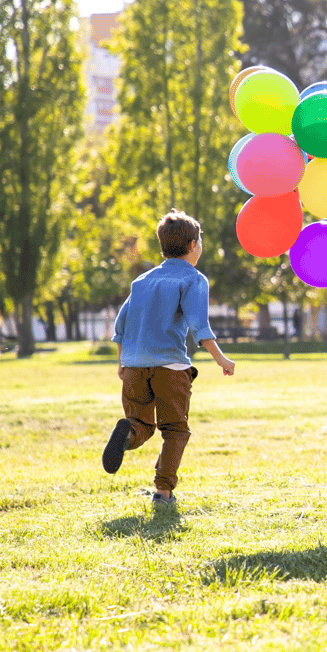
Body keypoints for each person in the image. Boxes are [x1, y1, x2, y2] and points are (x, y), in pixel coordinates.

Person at [103, 210, 236, 506]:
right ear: (192, 245)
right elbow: (200, 328)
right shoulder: (193, 279)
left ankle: (128, 432)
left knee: (141, 424)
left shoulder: (142, 281)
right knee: (175, 430)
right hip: (170, 367)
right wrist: (222, 359)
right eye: (199, 241)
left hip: (134, 367)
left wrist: (122, 362)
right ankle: (163, 492)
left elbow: (120, 326)